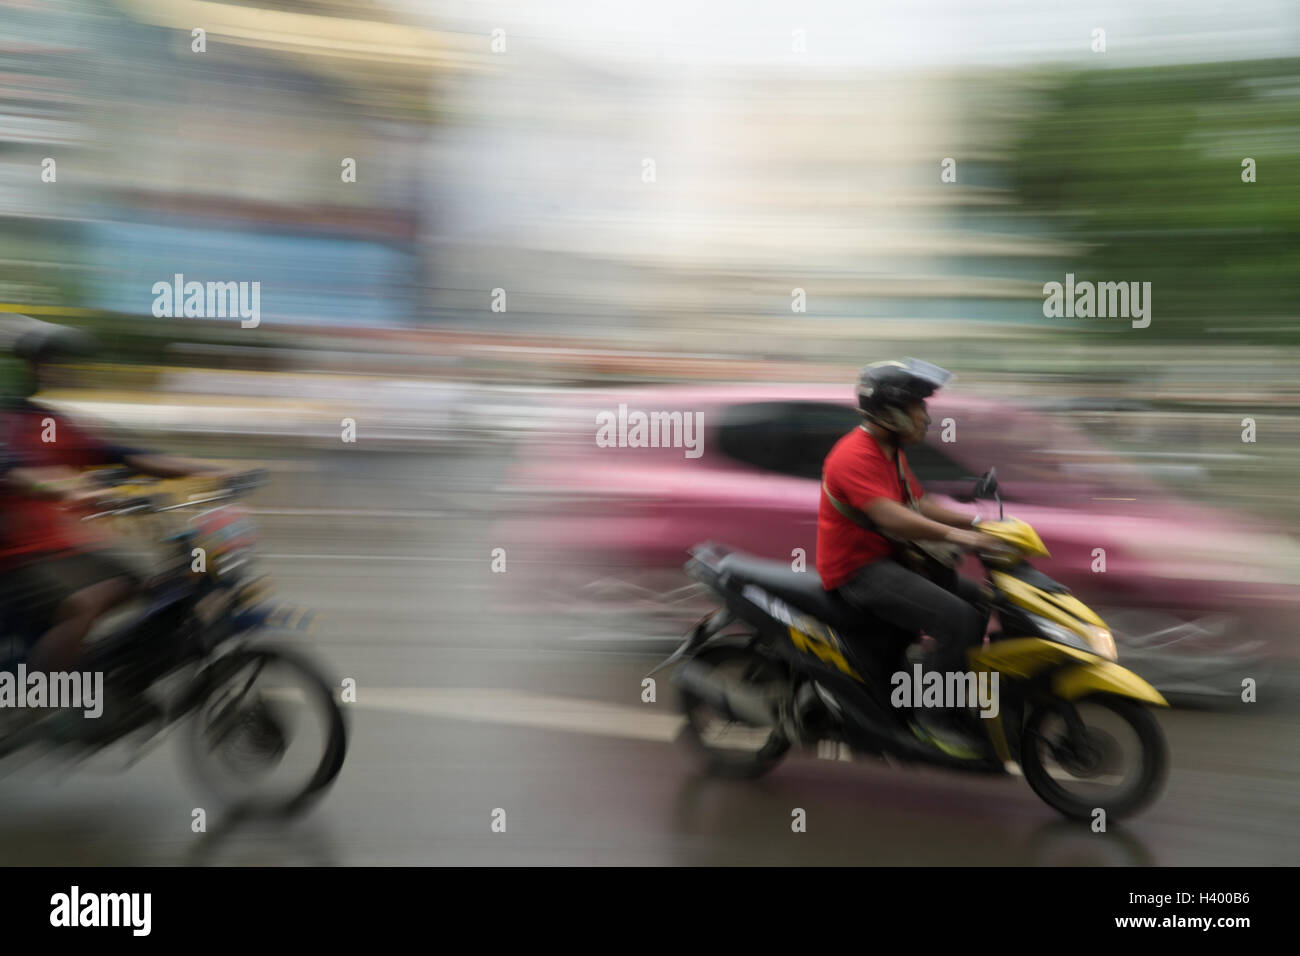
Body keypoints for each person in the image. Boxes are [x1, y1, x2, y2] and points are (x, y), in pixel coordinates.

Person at [0, 322, 240, 704]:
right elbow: (19, 472)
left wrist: (210, 471)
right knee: (88, 601)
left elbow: (124, 455)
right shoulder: (7, 422)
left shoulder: (51, 422)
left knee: (157, 588)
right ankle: (46, 700)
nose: (57, 369)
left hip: (59, 553)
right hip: (16, 560)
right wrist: (73, 487)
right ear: (27, 365)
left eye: (59, 362)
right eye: (47, 361)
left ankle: (116, 680)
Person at [816, 358, 1005, 756]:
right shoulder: (855, 455)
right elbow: (892, 517)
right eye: (918, 407)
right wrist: (960, 536)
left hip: (889, 562)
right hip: (858, 572)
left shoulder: (890, 451)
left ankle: (953, 692)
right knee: (956, 618)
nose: (926, 417)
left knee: (978, 601)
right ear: (890, 412)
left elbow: (918, 503)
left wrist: (979, 523)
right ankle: (932, 719)